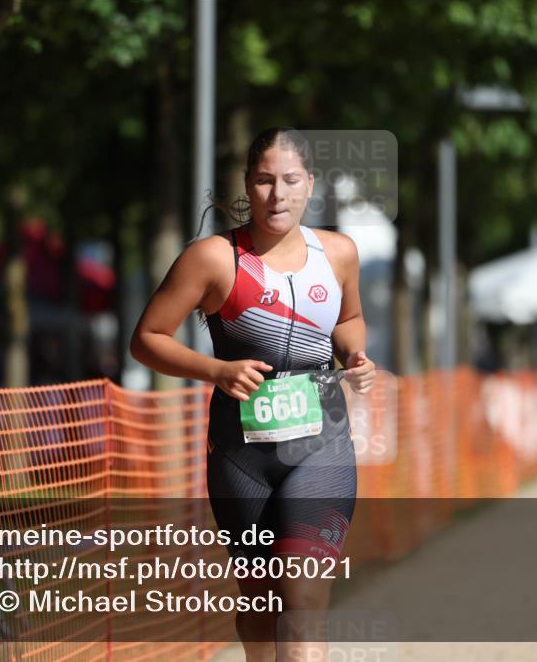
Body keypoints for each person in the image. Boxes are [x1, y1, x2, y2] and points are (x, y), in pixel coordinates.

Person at [130, 127, 376, 661]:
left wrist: (355, 354)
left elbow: (349, 318)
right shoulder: (214, 258)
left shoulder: (338, 253)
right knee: (262, 605)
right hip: (241, 455)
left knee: (303, 598)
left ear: (310, 184)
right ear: (247, 184)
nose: (277, 194)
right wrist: (216, 370)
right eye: (264, 180)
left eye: (290, 180)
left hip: (322, 445)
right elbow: (147, 339)